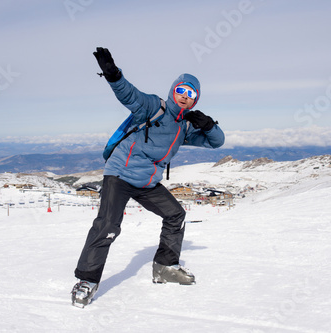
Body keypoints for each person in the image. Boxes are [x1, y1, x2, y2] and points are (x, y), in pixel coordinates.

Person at [71, 47, 225, 308]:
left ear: (195, 101)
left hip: (147, 182)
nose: (185, 97)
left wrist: (209, 125)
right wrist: (113, 73)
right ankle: (87, 280)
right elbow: (129, 95)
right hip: (120, 174)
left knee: (175, 215)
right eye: (182, 90)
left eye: (191, 94)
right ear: (173, 90)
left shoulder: (185, 127)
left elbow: (216, 143)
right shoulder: (154, 107)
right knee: (108, 225)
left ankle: (165, 267)